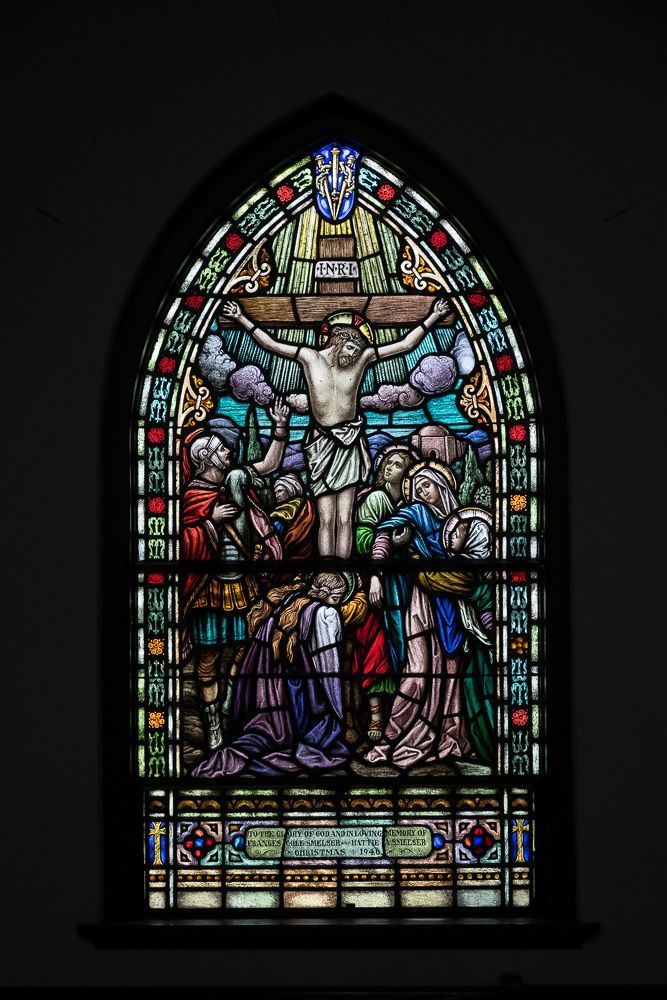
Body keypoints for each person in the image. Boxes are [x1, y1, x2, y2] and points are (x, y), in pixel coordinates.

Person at [222, 296, 455, 557]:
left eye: (358, 349)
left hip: (350, 442)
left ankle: (342, 574)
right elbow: (272, 344)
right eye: (350, 347)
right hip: (320, 444)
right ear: (338, 339)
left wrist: (433, 316)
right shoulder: (309, 357)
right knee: (326, 518)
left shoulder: (363, 359)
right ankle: (326, 572)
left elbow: (405, 345)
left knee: (345, 518)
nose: (354, 353)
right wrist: (240, 318)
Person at [365, 462, 493, 769]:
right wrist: (375, 575)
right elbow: (383, 533)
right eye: (418, 488)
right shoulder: (415, 514)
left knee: (451, 674)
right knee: (418, 671)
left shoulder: (463, 518)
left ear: (442, 484)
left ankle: (451, 736)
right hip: (423, 602)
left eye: (427, 485)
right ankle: (392, 737)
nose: (422, 492)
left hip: (455, 604)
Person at [180, 400, 289, 752]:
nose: (229, 453)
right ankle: (213, 724)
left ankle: (229, 707)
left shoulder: (234, 483)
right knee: (209, 659)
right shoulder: (191, 498)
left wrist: (280, 428)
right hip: (208, 589)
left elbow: (269, 465)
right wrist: (210, 522)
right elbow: (177, 544)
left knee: (246, 648)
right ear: (207, 459)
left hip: (242, 584)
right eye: (222, 450)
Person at [191, 572, 351, 778]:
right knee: (321, 729)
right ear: (328, 594)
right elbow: (327, 668)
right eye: (337, 599)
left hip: (263, 696)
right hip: (289, 698)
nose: (338, 604)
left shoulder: (289, 600)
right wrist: (335, 709)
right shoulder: (322, 613)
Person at [269, 473, 316, 559]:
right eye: (276, 492)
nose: (277, 495)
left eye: (280, 491)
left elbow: (275, 533)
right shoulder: (305, 505)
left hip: (295, 553)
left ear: (290, 490)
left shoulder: (294, 508)